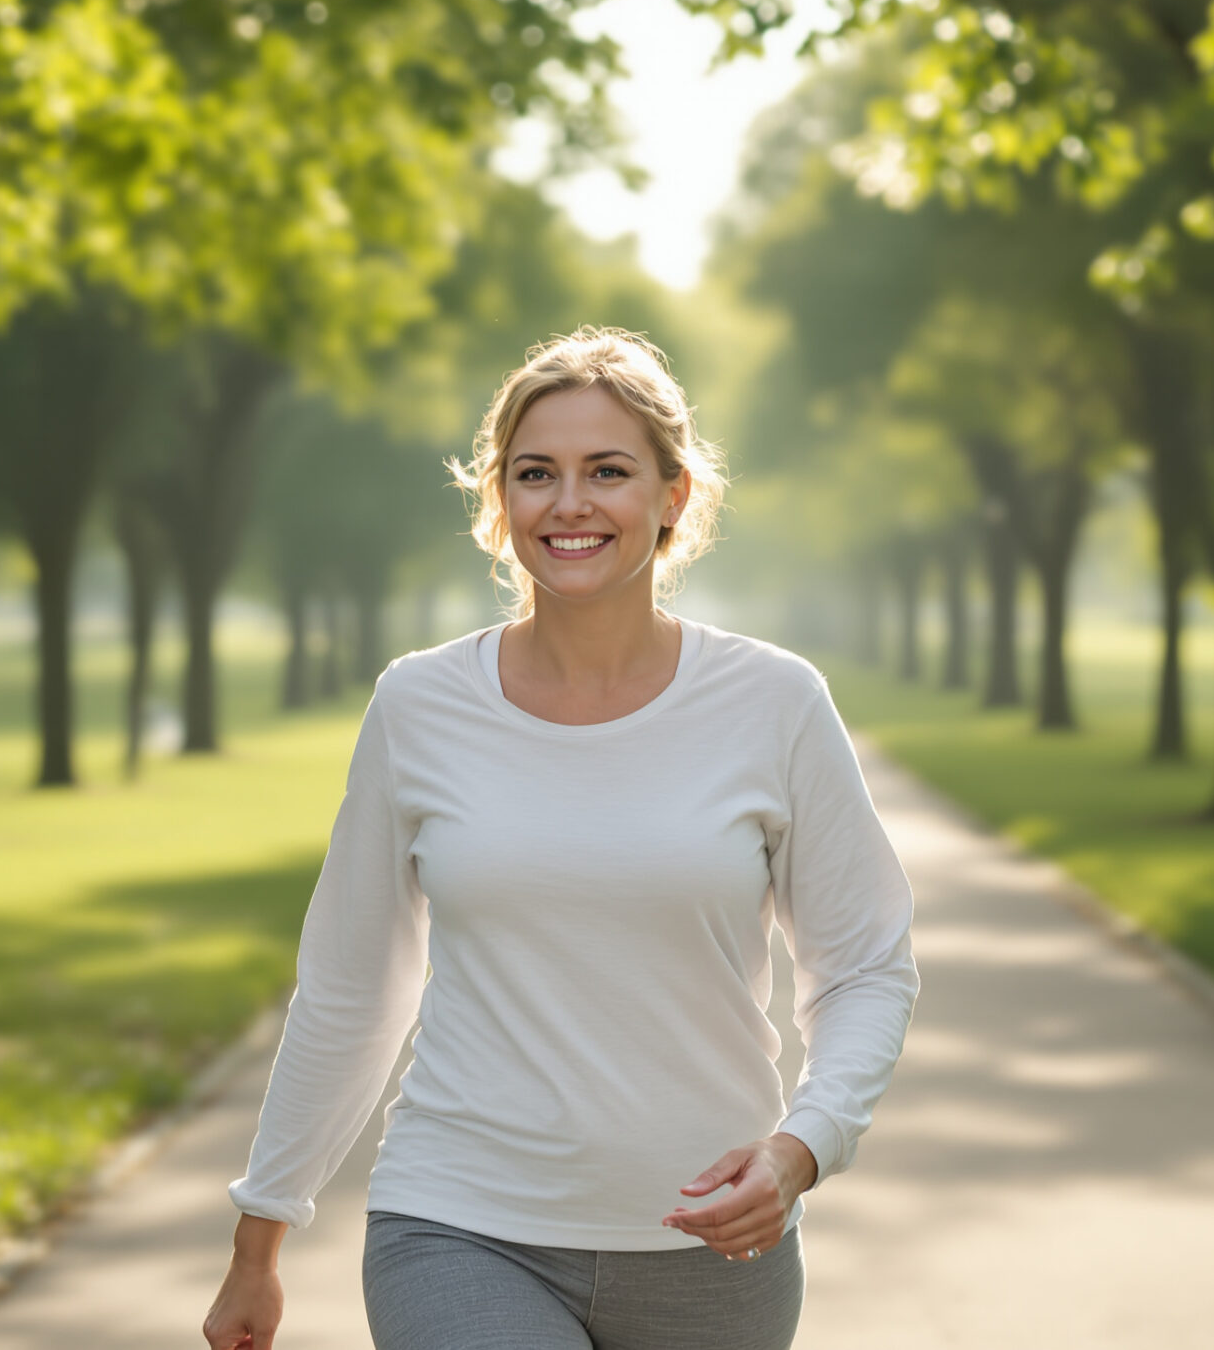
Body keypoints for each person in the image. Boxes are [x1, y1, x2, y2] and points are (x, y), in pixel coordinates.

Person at [202, 326, 919, 1350]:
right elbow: (352, 987)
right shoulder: (419, 705)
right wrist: (258, 1242)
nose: (569, 502)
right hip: (458, 1223)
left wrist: (807, 1146)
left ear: (673, 495)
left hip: (711, 1251)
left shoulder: (774, 702)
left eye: (608, 471)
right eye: (535, 473)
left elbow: (863, 967)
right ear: (499, 501)